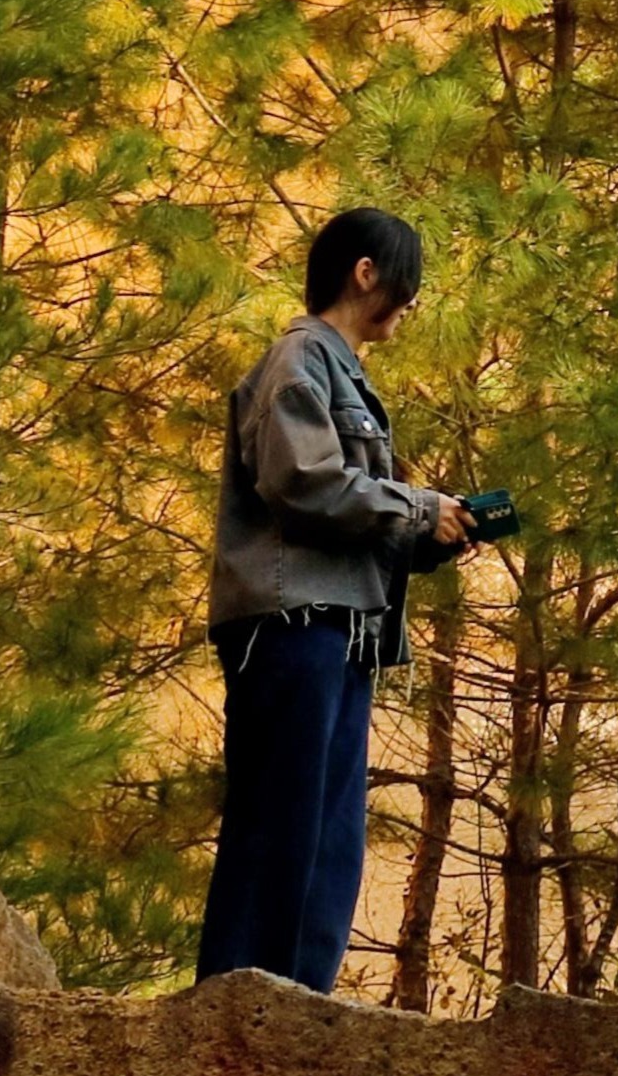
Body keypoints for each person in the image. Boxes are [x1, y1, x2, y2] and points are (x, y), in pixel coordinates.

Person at [198, 207, 473, 992]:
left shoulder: (337, 371)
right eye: (407, 283)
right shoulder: (298, 362)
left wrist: (432, 535)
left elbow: (345, 511)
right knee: (280, 825)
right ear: (365, 273)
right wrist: (417, 507)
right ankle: (241, 1004)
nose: (411, 303)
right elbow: (305, 484)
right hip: (292, 627)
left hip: (338, 630)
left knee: (328, 836)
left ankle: (299, 1006)